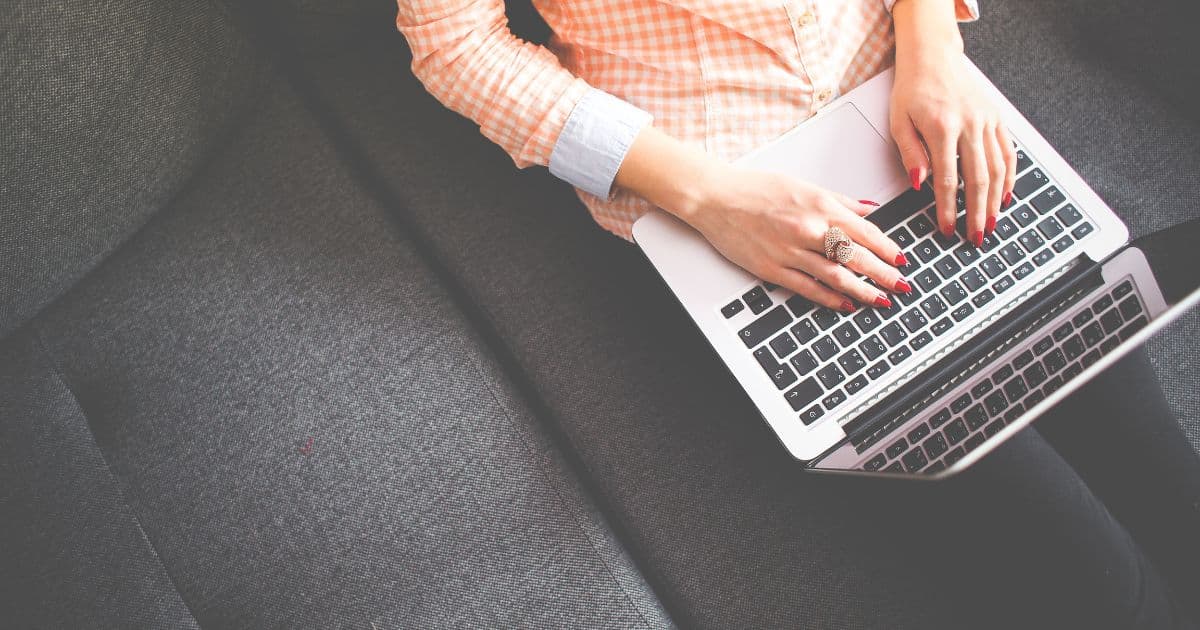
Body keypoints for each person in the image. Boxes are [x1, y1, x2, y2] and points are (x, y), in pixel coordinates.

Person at [395, 1, 1200, 626]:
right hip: (726, 202)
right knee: (1101, 590)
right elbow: (455, 43)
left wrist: (934, 48)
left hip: (908, 111)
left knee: (1168, 486)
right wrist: (709, 195)